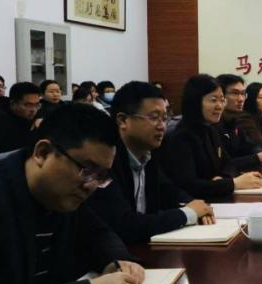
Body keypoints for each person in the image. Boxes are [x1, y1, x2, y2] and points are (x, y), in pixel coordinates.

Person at [0, 104, 145, 284]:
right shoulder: (2, 194)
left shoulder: (61, 194)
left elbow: (98, 233)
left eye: (101, 176)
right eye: (86, 169)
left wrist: (116, 261)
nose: (91, 185)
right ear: (42, 153)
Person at [87, 82, 216, 244]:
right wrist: (188, 213)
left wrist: (195, 205)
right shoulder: (105, 160)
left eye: (165, 118)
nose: (162, 126)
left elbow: (169, 190)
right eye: (154, 118)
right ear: (123, 120)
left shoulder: (149, 153)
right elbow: (125, 225)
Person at [160, 74, 262, 197]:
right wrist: (232, 183)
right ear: (195, 101)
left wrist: (223, 179)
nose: (219, 106)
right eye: (214, 100)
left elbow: (228, 164)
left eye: (222, 100)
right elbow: (188, 185)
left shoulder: (211, 130)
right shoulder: (182, 136)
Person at [216, 74, 262, 171]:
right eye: (235, 93)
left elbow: (250, 146)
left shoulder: (233, 121)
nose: (241, 99)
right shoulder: (215, 125)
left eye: (243, 94)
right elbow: (222, 165)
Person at [0, 82, 41, 154]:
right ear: (13, 103)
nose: (34, 110)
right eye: (28, 105)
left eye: (37, 105)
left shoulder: (32, 115)